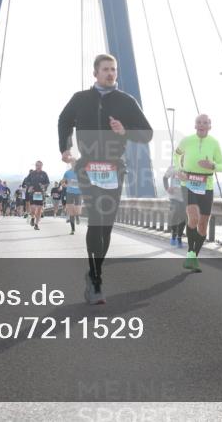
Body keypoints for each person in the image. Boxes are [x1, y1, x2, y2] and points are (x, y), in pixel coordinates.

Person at [59, 53, 153, 304]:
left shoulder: (126, 101)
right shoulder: (80, 99)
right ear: (95, 73)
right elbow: (64, 120)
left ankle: (94, 271)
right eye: (106, 69)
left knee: (107, 225)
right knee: (96, 221)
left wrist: (126, 131)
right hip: (88, 166)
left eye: (114, 69)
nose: (111, 73)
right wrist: (65, 147)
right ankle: (96, 278)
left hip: (114, 168)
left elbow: (147, 134)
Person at [174, 114, 222, 272]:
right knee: (194, 218)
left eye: (205, 122)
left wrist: (212, 166)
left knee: (203, 226)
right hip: (188, 183)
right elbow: (176, 155)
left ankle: (193, 257)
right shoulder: (186, 141)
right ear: (195, 125)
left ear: (210, 126)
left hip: (206, 186)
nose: (202, 125)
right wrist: (179, 170)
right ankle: (190, 252)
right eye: (199, 122)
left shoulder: (214, 143)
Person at [163, 165, 186, 247]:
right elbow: (165, 178)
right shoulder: (173, 167)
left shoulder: (189, 166)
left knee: (183, 218)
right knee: (175, 214)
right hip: (174, 196)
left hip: (185, 197)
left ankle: (179, 238)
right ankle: (173, 235)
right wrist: (167, 188)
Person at [24, 161, 50, 230]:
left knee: (39, 210)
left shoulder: (44, 174)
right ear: (35, 166)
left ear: (42, 166)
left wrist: (44, 186)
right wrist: (30, 186)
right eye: (37, 165)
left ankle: (36, 224)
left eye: (40, 165)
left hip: (40, 194)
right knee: (33, 210)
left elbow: (48, 183)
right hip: (33, 193)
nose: (38, 167)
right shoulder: (32, 173)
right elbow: (26, 181)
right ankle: (32, 218)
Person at [63, 167, 82, 235]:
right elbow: (63, 182)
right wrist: (65, 185)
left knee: (77, 209)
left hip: (78, 193)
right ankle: (72, 229)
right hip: (69, 193)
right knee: (71, 212)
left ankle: (77, 216)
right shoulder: (67, 172)